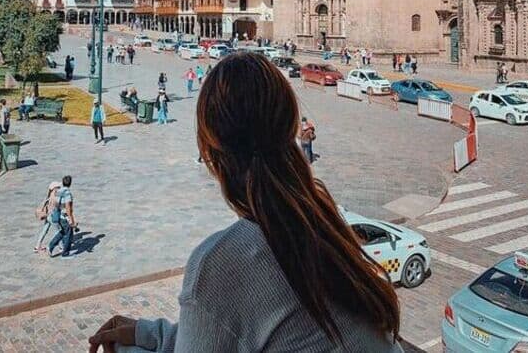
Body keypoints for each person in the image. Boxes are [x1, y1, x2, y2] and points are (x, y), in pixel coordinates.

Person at [89, 53, 401, 353]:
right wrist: (150, 336)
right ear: (291, 125)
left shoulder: (221, 263)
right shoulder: (321, 223)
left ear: (210, 153)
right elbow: (243, 337)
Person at [49, 175, 77, 258]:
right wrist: (71, 219)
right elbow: (68, 207)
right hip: (65, 216)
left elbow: (55, 203)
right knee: (68, 233)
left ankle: (51, 246)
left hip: (59, 215)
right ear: (70, 183)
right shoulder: (67, 193)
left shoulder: (58, 192)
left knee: (62, 232)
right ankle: (65, 253)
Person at [34, 181, 61, 253]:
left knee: (44, 231)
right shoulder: (55, 196)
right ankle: (61, 246)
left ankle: (37, 246)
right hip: (51, 216)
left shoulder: (48, 195)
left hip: (47, 216)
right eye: (58, 187)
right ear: (55, 188)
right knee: (59, 231)